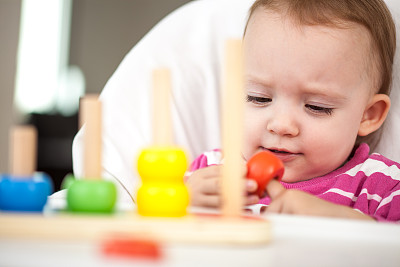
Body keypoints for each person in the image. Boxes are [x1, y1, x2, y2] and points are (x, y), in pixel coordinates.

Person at [186, 0, 400, 222]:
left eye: (317, 107)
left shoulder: (382, 187)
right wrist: (183, 201)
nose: (281, 125)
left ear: (368, 115)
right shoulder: (212, 170)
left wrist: (338, 219)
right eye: (258, 98)